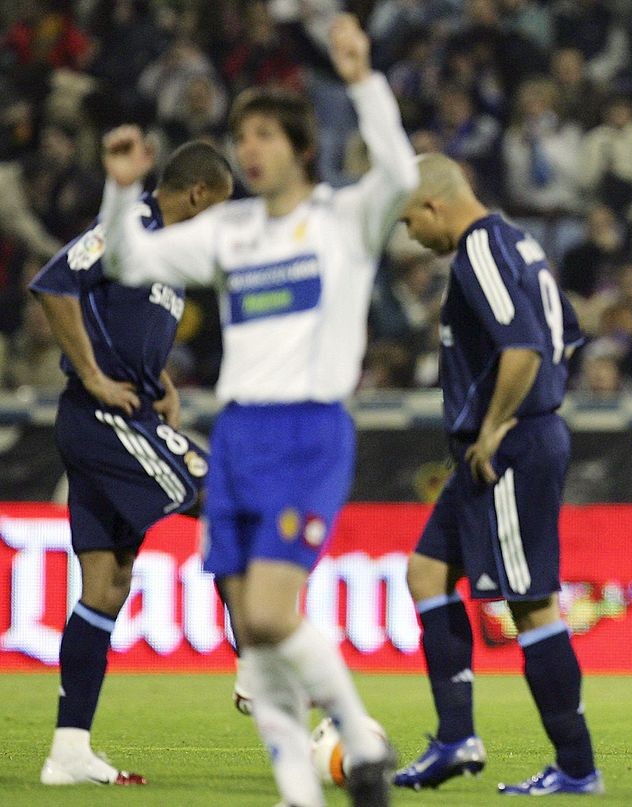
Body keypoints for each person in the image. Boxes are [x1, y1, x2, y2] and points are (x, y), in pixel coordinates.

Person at [95, 14, 417, 807]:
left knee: (272, 614)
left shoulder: (344, 221)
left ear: (301, 147)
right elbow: (128, 259)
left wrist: (362, 78)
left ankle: (358, 735)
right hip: (236, 435)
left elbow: (404, 178)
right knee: (255, 635)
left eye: (267, 134)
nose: (252, 148)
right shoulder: (231, 230)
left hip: (306, 429)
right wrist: (119, 187)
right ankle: (298, 792)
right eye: (244, 135)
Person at [393, 153, 603, 796]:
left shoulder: (478, 249)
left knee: (531, 604)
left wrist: (498, 422)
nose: (411, 237)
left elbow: (526, 347)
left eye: (409, 222)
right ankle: (456, 737)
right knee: (426, 572)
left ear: (433, 206)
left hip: (506, 449)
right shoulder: (520, 241)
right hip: (504, 446)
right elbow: (568, 331)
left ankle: (576, 766)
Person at [32, 139, 233, 786]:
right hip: (106, 418)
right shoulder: (131, 226)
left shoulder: (163, 255)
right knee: (226, 496)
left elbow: (124, 320)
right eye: (218, 209)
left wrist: (163, 379)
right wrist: (92, 374)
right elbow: (56, 283)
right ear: (197, 193)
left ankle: (69, 747)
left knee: (107, 584)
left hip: (126, 411)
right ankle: (256, 665)